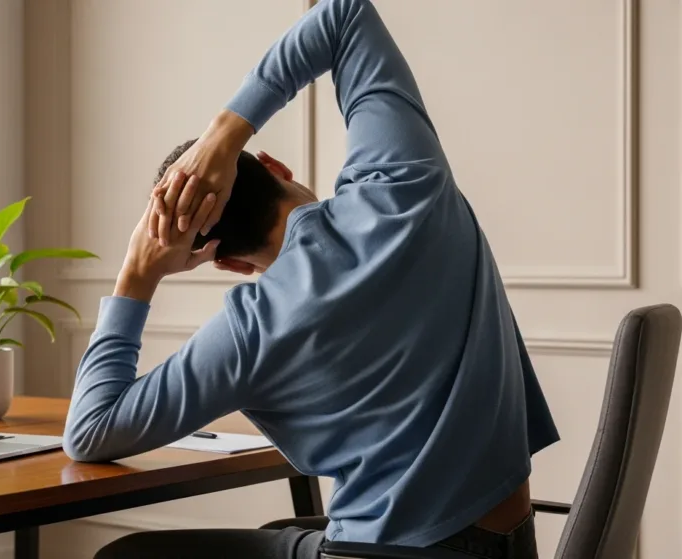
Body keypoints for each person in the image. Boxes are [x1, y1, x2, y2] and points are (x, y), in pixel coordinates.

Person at [62, 0, 559, 557]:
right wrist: (224, 135)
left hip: (386, 551)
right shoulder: (404, 183)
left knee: (128, 556)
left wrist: (136, 274)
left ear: (223, 262)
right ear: (275, 166)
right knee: (283, 533)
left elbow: (90, 432)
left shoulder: (255, 329)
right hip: (510, 540)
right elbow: (344, 14)